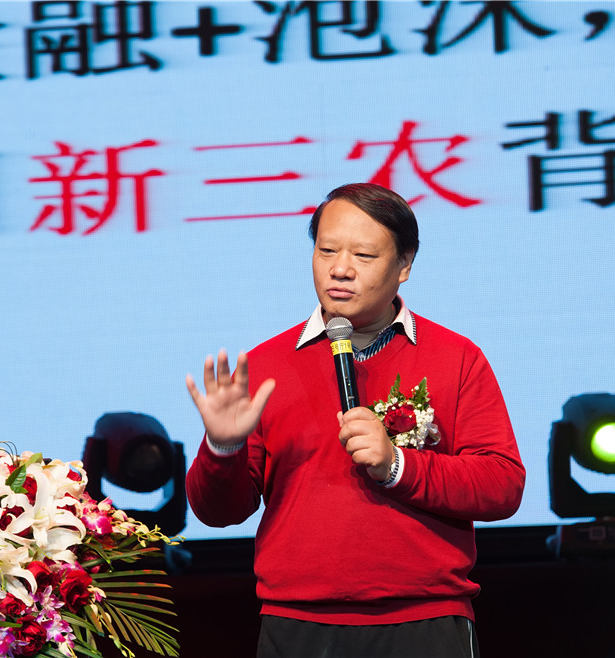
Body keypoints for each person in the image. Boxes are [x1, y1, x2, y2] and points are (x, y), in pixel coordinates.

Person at [185, 183, 525, 658]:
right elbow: (217, 512)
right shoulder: (264, 366)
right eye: (326, 251)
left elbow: (502, 485)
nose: (340, 269)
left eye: (364, 255)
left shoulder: (457, 357)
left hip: (423, 621)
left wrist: (397, 466)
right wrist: (222, 449)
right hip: (297, 624)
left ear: (404, 265)